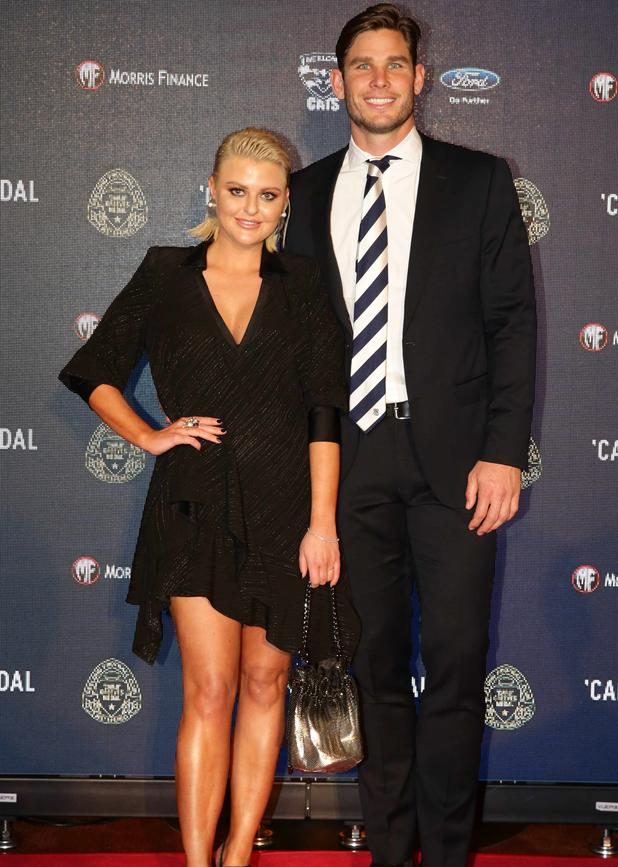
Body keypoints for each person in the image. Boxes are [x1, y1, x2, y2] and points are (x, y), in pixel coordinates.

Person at [59, 127, 358, 867]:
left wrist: (323, 523)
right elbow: (95, 368)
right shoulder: (164, 274)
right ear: (210, 191)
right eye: (236, 191)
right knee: (211, 685)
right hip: (193, 507)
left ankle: (235, 855)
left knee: (265, 681)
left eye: (267, 194)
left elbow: (326, 409)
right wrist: (150, 435)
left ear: (285, 201)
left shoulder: (304, 284)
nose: (250, 208)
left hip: (289, 508)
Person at [283, 5, 536, 867]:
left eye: (396, 64)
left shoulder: (480, 180)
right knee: (377, 667)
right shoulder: (308, 192)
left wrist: (504, 450)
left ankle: (450, 853)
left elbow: (512, 322)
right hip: (350, 464)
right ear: (338, 80)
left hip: (460, 465)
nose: (381, 79)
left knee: (460, 665)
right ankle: (392, 851)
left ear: (421, 78)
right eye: (363, 65)